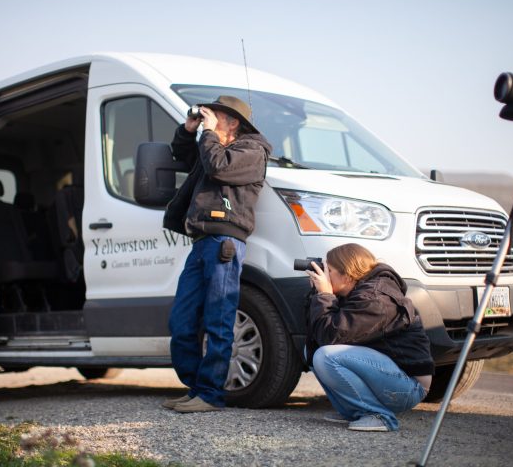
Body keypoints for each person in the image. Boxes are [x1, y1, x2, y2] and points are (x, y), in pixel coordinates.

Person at [161, 96, 273, 413]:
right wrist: (189, 129)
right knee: (181, 322)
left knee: (218, 320)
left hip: (225, 240)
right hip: (201, 241)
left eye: (216, 116)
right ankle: (196, 387)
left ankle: (210, 395)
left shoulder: (252, 151)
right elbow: (185, 157)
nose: (209, 120)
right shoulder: (213, 146)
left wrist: (208, 134)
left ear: (233, 122)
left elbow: (218, 167)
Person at [303, 243, 434, 431]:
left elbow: (330, 337)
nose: (324, 274)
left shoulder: (375, 298)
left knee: (326, 356)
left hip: (409, 386)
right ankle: (354, 411)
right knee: (311, 350)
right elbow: (316, 336)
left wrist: (324, 295)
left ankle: (379, 416)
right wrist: (317, 295)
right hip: (391, 375)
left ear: (347, 275)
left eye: (329, 270)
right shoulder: (355, 292)